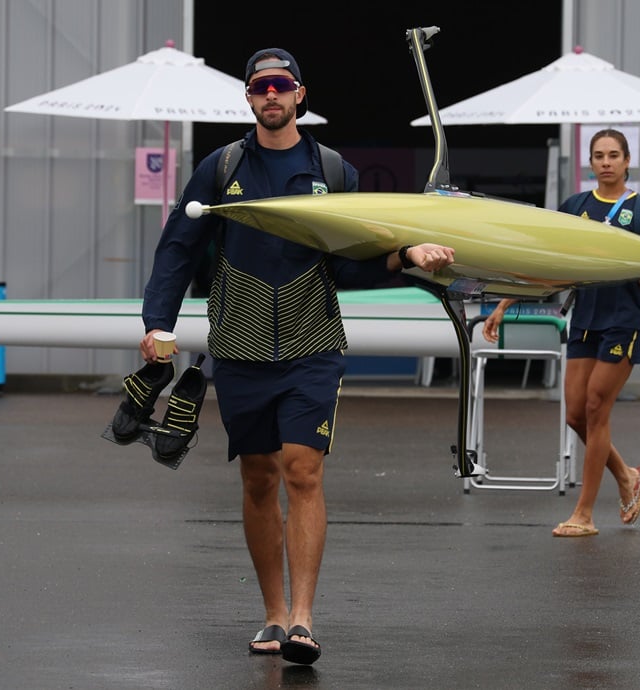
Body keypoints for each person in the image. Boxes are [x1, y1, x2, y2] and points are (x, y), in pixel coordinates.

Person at [138, 48, 455, 663]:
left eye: (282, 85)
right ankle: (274, 616)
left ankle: (305, 621)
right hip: (239, 345)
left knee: (303, 469)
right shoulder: (220, 167)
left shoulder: (333, 171)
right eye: (260, 86)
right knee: (258, 478)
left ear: (300, 95)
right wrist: (158, 323)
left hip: (313, 345)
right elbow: (179, 247)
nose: (271, 95)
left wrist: (407, 257)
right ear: (250, 97)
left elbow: (352, 260)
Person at [483, 128, 640, 538]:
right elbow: (553, 266)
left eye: (614, 155)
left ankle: (584, 513)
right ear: (591, 162)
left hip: (625, 320)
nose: (606, 162)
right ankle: (628, 475)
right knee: (576, 414)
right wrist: (505, 303)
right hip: (584, 319)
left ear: (627, 160)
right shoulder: (574, 206)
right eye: (599, 155)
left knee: (597, 408)